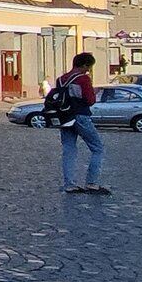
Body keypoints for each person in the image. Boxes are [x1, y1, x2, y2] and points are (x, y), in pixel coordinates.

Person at [51, 53, 108, 195]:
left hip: (65, 118)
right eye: (89, 67)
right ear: (84, 65)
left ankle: (69, 184)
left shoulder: (61, 79)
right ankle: (92, 183)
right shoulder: (83, 79)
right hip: (81, 116)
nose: (88, 70)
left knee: (68, 150)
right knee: (97, 148)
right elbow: (90, 100)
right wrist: (93, 92)